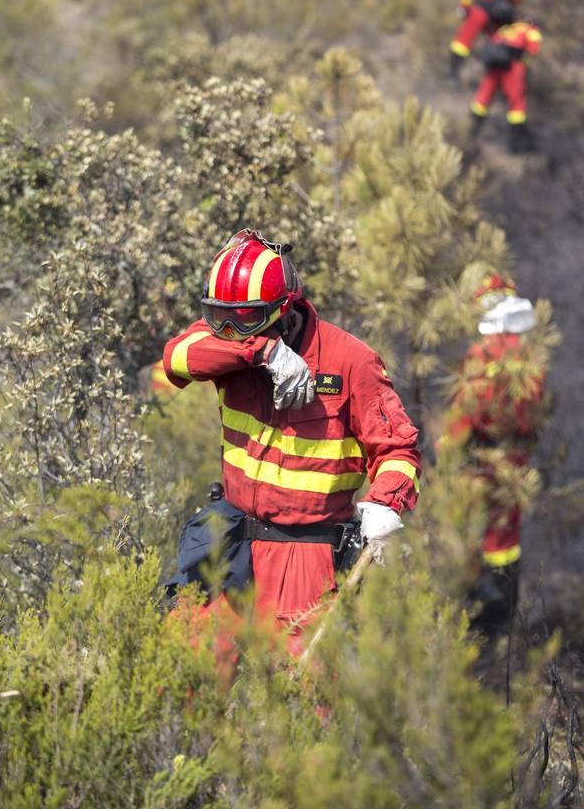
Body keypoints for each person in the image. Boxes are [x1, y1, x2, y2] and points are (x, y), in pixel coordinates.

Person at [163, 228, 421, 658]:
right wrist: (261, 351)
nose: (230, 329)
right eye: (218, 316)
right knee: (185, 671)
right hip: (230, 541)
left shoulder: (351, 361)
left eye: (245, 318)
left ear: (285, 311)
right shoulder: (233, 345)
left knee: (300, 688)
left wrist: (385, 504)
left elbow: (398, 449)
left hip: (308, 556)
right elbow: (175, 357)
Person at [441, 275, 546, 635]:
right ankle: (506, 621)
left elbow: (466, 414)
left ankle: (480, 622)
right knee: (505, 542)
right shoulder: (529, 356)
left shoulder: (484, 354)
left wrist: (447, 449)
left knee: (470, 539)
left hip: (477, 466)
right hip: (514, 464)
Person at [469, 19, 543, 152]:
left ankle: (471, 133)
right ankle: (514, 145)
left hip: (493, 69)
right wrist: (526, 66)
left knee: (482, 99)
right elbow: (533, 50)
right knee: (516, 106)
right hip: (512, 69)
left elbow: (492, 43)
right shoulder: (529, 30)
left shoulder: (505, 29)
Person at [450, 0, 524, 80]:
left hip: (482, 10)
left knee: (462, 41)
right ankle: (503, 78)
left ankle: (453, 75)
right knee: (502, 44)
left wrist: (464, 9)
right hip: (504, 13)